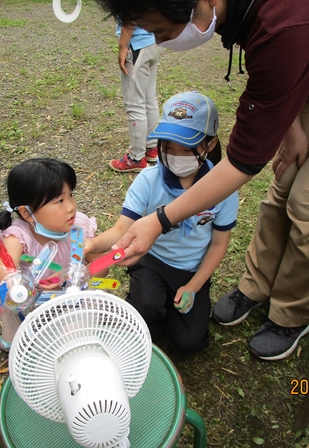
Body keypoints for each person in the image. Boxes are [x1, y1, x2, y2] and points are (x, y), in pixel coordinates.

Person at [96, 0, 309, 360]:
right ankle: (256, 286)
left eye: (163, 31)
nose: (158, 41)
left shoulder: (291, 15)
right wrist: (291, 123)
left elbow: (243, 160)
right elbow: (277, 73)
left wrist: (160, 220)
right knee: (285, 181)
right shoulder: (255, 2)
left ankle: (292, 312)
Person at [86, 91, 238, 351]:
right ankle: (151, 305)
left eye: (186, 148)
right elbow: (122, 229)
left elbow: (218, 245)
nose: (175, 155)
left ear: (210, 145)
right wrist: (92, 245)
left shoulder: (223, 188)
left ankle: (176, 304)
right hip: (152, 261)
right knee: (142, 318)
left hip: (190, 269)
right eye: (167, 145)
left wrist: (193, 286)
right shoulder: (148, 179)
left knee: (189, 343)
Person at [0, 158, 97, 350]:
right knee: (9, 301)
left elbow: (99, 268)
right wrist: (19, 284)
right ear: (26, 213)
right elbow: (3, 266)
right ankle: (14, 340)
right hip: (30, 300)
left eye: (71, 195)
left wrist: (82, 275)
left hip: (69, 296)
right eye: (59, 201)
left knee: (75, 334)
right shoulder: (20, 235)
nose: (71, 206)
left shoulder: (79, 228)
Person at [109, 24, 163, 172]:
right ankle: (151, 148)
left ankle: (136, 158)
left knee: (135, 104)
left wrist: (123, 46)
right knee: (148, 97)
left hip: (139, 44)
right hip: (153, 40)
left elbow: (130, 16)